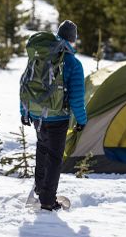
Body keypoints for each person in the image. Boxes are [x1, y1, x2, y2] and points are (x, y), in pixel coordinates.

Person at [21, 20, 87, 211]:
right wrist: (81, 121)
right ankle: (48, 201)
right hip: (58, 117)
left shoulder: (39, 56)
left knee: (42, 151)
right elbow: (76, 98)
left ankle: (41, 191)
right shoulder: (73, 63)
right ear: (72, 39)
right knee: (55, 158)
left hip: (36, 115)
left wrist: (24, 111)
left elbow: (27, 85)